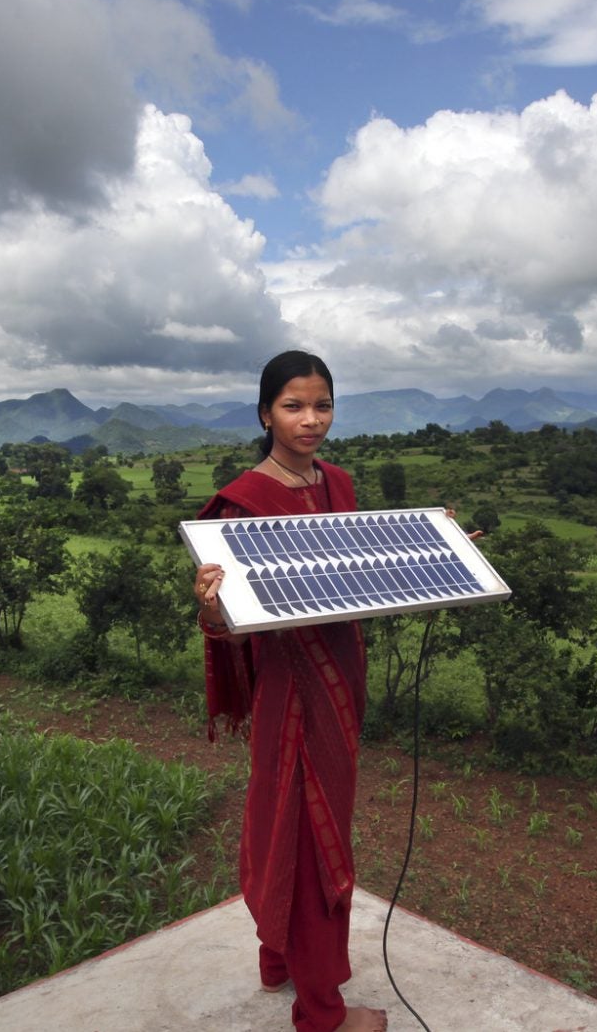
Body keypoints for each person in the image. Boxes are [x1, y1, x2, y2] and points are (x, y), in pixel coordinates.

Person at [193, 350, 387, 1032]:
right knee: (305, 840)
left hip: (341, 688)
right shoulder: (241, 503)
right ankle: (323, 1013)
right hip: (293, 698)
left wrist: (436, 548)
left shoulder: (340, 482)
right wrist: (214, 612)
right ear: (265, 412)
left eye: (323, 404)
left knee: (309, 827)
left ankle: (280, 961)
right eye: (294, 405)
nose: (311, 419)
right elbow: (237, 630)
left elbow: (353, 576)